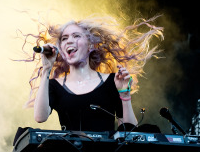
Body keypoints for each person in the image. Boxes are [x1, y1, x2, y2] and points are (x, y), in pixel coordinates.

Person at [20, 15, 164, 133]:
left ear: (91, 46)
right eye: (64, 38)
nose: (69, 40)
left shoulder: (112, 81)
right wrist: (46, 68)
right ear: (62, 51)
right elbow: (40, 117)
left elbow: (130, 131)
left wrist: (125, 96)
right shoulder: (54, 85)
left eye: (76, 36)